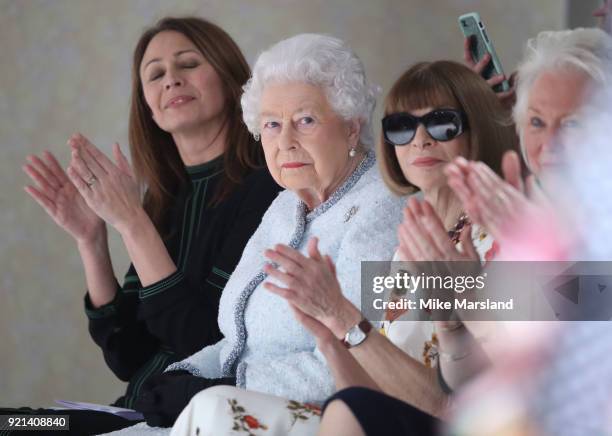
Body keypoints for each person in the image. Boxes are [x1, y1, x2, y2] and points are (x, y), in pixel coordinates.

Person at [189, 60, 516, 436]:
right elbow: (368, 392)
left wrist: (344, 316)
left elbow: (459, 407)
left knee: (213, 408)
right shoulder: (411, 241)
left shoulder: (508, 237)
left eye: (443, 123)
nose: (420, 139)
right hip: (383, 418)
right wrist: (329, 336)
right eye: (402, 127)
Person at [112, 33, 404, 435]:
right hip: (237, 406)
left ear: (352, 128)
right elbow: (236, 340)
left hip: (330, 415)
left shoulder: (383, 205)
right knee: (35, 427)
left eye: (305, 121)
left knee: (211, 411)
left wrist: (229, 386)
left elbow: (365, 351)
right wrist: (186, 373)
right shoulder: (285, 206)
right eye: (271, 124)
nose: (285, 142)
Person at [16, 16, 280, 435]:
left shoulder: (268, 189)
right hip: (129, 413)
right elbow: (128, 357)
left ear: (232, 79)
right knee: (16, 423)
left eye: (188, 64)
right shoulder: (166, 200)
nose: (171, 80)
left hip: (188, 419)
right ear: (148, 108)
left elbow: (208, 345)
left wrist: (133, 225)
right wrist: (93, 241)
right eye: (155, 74)